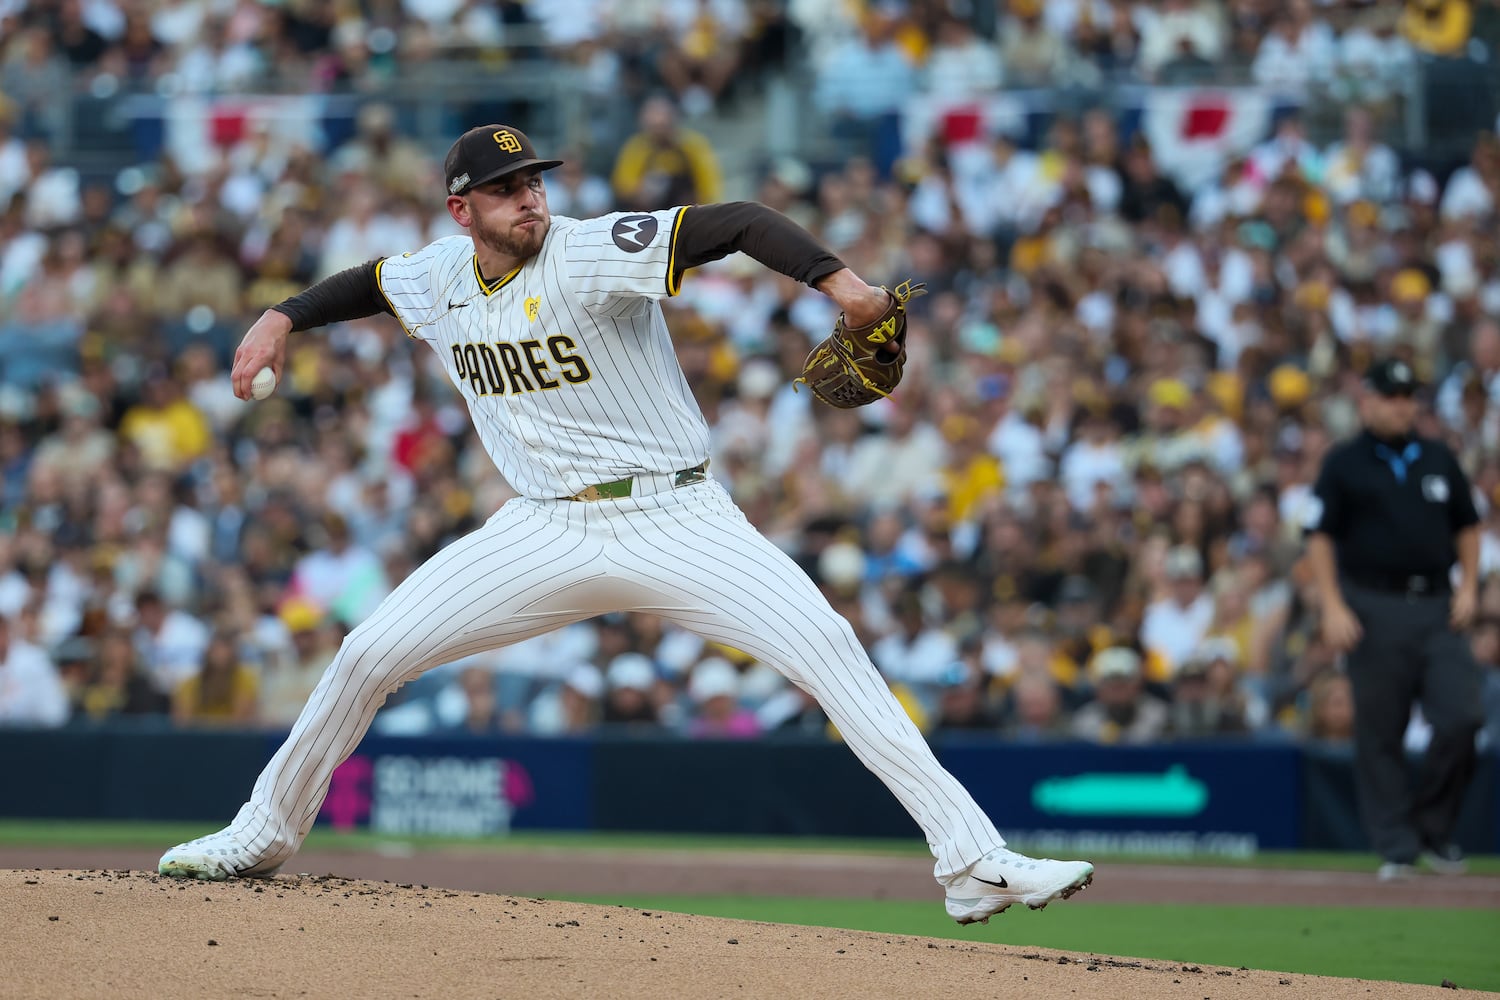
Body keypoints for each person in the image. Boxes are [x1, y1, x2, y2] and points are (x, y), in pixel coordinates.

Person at [155, 124, 1094, 923]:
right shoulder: (439, 275)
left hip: (676, 514)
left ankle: (973, 866)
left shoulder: (589, 248)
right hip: (541, 530)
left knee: (829, 646)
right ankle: (261, 832)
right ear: (461, 211)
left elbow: (735, 224)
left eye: (533, 181)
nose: (529, 198)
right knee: (365, 655)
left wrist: (840, 285)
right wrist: (280, 316)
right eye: (505, 189)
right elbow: (366, 283)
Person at [1305, 357, 1484, 881]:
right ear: (1367, 401)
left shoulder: (1437, 457)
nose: (1402, 405)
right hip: (1371, 606)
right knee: (1381, 730)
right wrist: (1332, 604)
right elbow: (1318, 535)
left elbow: (1467, 527)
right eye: (1391, 396)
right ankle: (1396, 847)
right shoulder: (1344, 462)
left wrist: (1470, 585)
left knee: (1462, 717)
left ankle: (1433, 829)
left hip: (1436, 604)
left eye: (1409, 396)